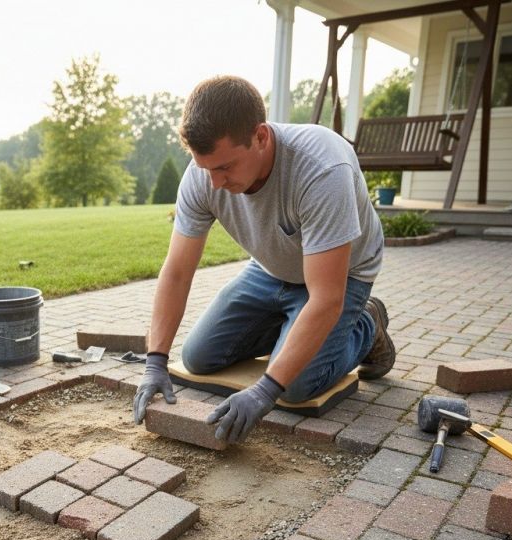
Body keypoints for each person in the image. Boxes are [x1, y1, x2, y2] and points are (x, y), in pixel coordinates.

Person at [133, 75, 394, 444]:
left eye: (225, 167)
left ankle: (368, 323)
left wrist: (266, 389)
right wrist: (155, 361)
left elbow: (326, 298)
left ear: (260, 136)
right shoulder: (202, 177)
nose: (215, 183)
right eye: (206, 168)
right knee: (198, 357)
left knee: (295, 386)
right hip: (270, 268)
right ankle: (293, 328)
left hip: (343, 275)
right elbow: (176, 273)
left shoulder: (322, 169)